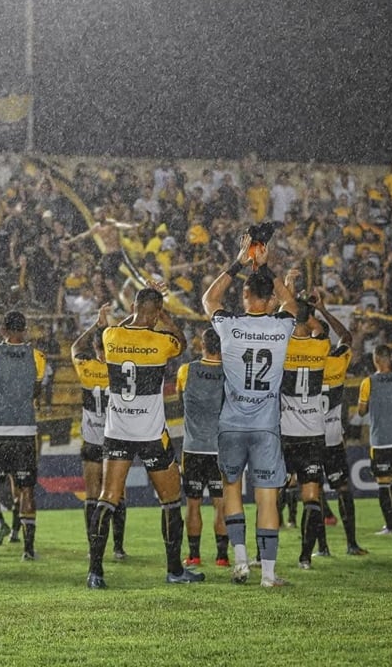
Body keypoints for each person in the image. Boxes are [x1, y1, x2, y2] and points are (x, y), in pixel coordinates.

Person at [202, 231, 298, 588]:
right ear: (269, 297)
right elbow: (292, 305)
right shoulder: (281, 326)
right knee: (267, 498)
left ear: (244, 296)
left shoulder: (229, 327)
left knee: (231, 492)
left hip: (232, 424)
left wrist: (239, 261)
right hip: (265, 426)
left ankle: (241, 563)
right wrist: (265, 265)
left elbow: (209, 298)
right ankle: (269, 576)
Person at [87, 285, 200, 589]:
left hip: (117, 432)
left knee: (107, 499)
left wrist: (131, 316)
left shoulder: (112, 336)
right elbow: (182, 341)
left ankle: (95, 572)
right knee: (171, 500)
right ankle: (174, 570)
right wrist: (162, 315)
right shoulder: (161, 340)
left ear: (134, 306)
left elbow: (113, 335)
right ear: (156, 313)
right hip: (150, 433)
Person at [0, 311, 46, 563]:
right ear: (24, 330)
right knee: (26, 489)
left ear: (3, 329)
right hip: (25, 431)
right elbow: (36, 392)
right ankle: (28, 549)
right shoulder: (37, 357)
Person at [310, 293, 368, 557]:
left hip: (309, 438)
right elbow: (346, 337)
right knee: (342, 490)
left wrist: (303, 315)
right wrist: (321, 310)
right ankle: (351, 543)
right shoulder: (336, 362)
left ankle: (321, 547)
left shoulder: (302, 363)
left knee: (314, 491)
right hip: (333, 440)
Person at [70, 306, 127, 560]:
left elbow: (74, 347)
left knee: (92, 494)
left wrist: (96, 323)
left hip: (92, 439)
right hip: (115, 438)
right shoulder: (120, 369)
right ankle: (117, 547)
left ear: (95, 348)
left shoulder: (86, 367)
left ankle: (94, 543)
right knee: (116, 493)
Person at [279, 298, 330, 570]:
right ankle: (305, 557)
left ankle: (266, 555)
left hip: (285, 433)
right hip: (313, 434)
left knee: (273, 493)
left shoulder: (282, 347)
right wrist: (308, 309)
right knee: (311, 498)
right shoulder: (320, 346)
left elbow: (280, 320)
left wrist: (289, 300)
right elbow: (320, 328)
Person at [177, 327, 228, 568]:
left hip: (194, 447)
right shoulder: (229, 374)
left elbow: (180, 400)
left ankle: (194, 555)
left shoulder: (187, 371)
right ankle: (222, 556)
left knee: (193, 503)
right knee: (222, 504)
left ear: (202, 346)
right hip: (220, 449)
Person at [357, 344, 392, 535]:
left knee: (384, 482)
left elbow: (362, 411)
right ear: (391, 359)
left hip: (381, 440)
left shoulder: (368, 382)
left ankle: (390, 526)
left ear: (376, 359)